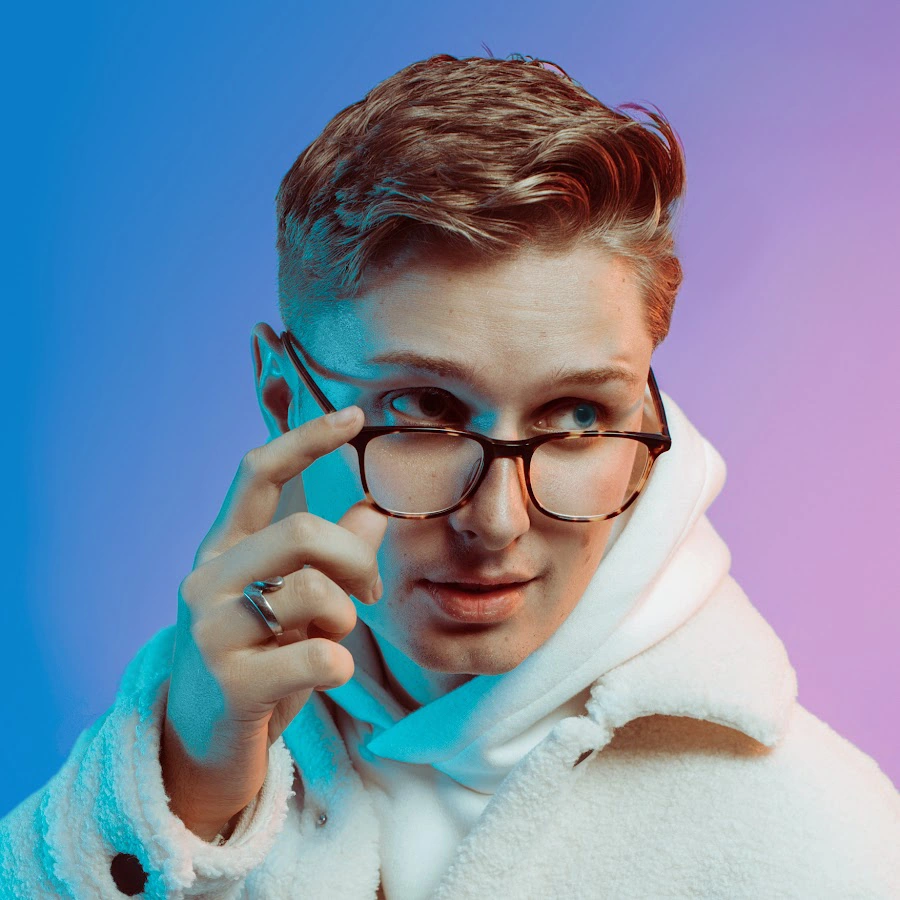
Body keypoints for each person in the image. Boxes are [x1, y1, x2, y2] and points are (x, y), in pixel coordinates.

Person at [1, 52, 897, 900]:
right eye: (423, 411)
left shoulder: (828, 849)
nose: (498, 522)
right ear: (282, 397)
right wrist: (183, 791)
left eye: (578, 415)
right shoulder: (195, 725)